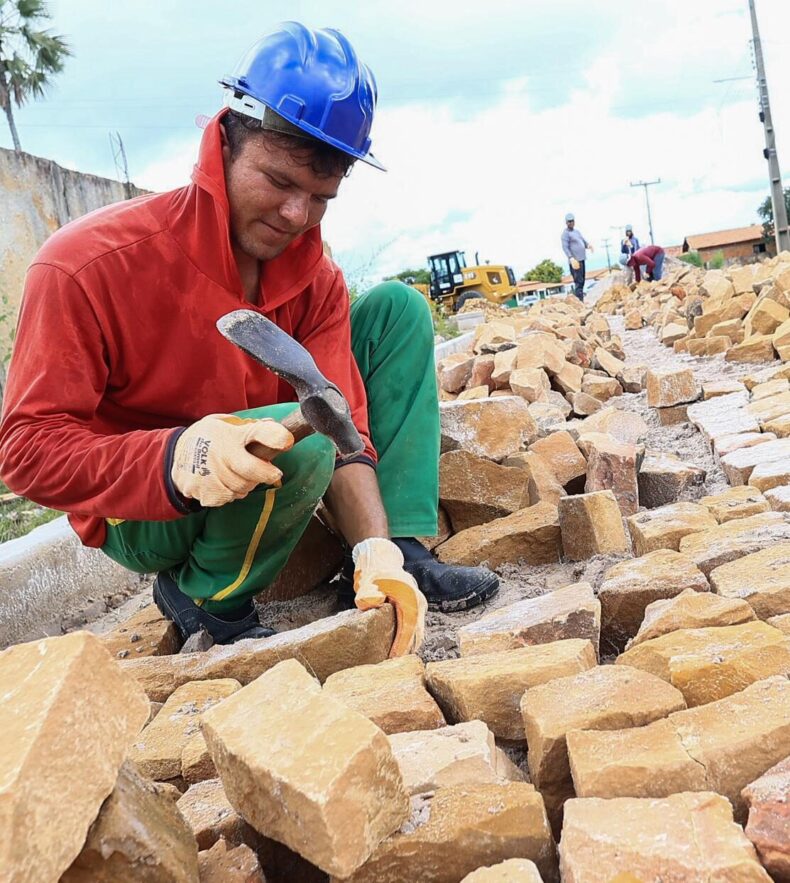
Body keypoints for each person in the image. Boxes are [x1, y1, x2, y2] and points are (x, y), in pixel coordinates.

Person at [0, 23, 499, 653]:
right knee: (304, 449)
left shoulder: (315, 279)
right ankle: (209, 596)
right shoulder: (87, 266)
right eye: (279, 181)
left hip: (271, 450)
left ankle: (394, 549)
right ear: (226, 143)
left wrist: (373, 548)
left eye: (321, 197)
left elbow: (343, 424)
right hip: (145, 505)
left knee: (396, 310)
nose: (297, 216)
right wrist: (176, 456)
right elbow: (25, 451)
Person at [560, 213, 593, 300]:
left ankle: (580, 299)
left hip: (582, 259)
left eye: (572, 221)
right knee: (578, 282)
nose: (571, 223)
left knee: (582, 281)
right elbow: (565, 247)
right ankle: (579, 300)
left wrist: (588, 245)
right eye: (569, 221)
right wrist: (570, 257)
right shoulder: (565, 234)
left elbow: (582, 240)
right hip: (575, 261)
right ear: (566, 223)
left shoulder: (577, 232)